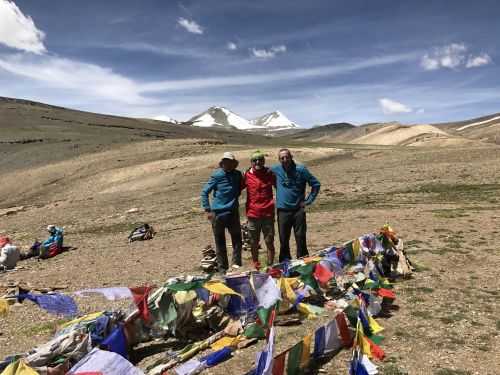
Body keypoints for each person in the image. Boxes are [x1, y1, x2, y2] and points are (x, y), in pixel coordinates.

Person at [271, 149, 320, 262]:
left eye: (287, 157)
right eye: (282, 158)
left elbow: (316, 184)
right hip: (283, 211)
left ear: (291, 157)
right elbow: (262, 171)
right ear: (279, 160)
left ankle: (303, 262)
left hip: (298, 210)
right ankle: (285, 263)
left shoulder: (301, 170)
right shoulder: (275, 170)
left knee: (300, 237)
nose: (285, 160)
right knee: (283, 239)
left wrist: (308, 201)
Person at [201, 152, 243, 274]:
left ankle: (236, 265)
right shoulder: (217, 176)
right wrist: (207, 209)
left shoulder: (237, 174)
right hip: (217, 214)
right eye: (225, 162)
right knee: (220, 242)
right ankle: (222, 269)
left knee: (237, 240)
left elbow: (240, 188)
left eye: (230, 162)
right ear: (222, 163)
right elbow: (204, 192)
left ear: (233, 164)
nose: (227, 164)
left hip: (233, 212)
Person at [243, 150, 276, 270]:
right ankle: (256, 265)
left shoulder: (270, 173)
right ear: (251, 162)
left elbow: (280, 186)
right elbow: (236, 188)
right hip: (253, 215)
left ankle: (270, 265)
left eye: (260, 160)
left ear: (264, 161)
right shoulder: (247, 175)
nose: (258, 162)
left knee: (269, 241)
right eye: (255, 160)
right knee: (253, 242)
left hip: (268, 214)